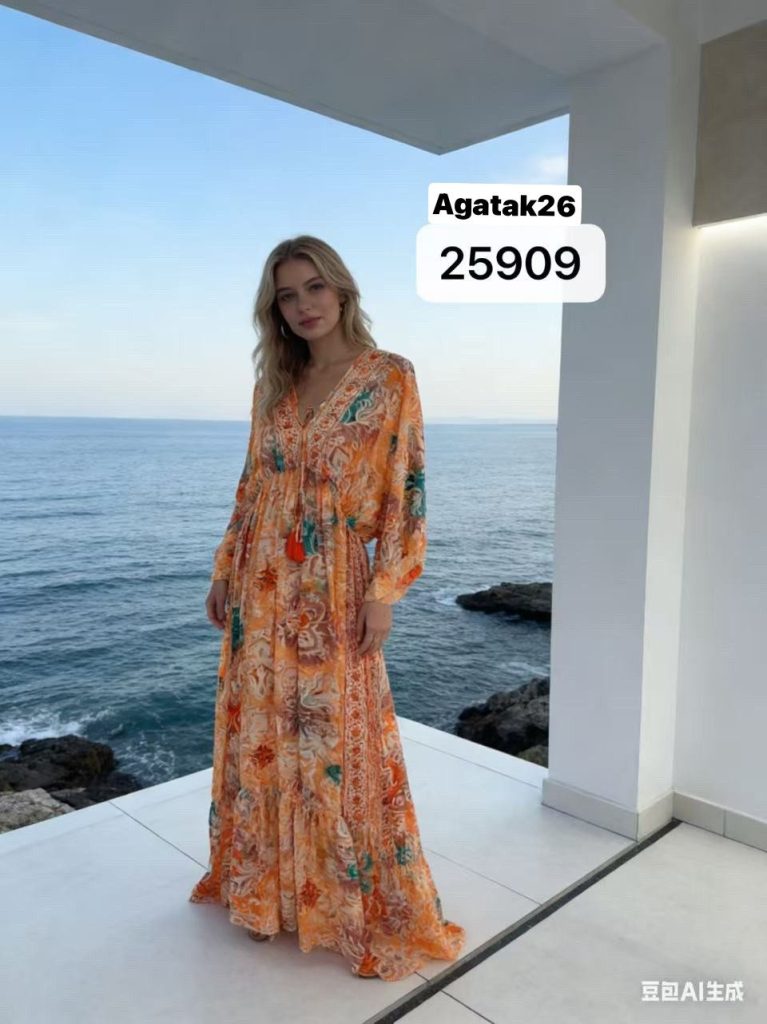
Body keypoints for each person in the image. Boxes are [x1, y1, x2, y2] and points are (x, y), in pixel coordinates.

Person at [188, 235, 466, 981]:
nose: (303, 305)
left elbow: (407, 490)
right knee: (262, 734)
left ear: (341, 291)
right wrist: (223, 568)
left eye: (314, 287)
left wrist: (385, 592)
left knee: (334, 740)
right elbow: (252, 484)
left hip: (334, 581)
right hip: (259, 583)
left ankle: (341, 902)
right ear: (274, 309)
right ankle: (263, 892)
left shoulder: (388, 376)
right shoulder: (275, 385)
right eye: (287, 295)